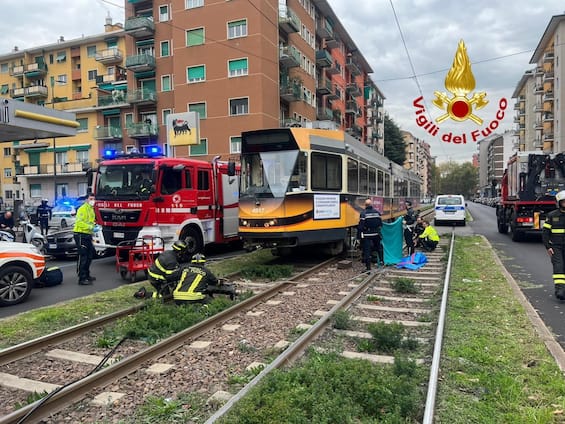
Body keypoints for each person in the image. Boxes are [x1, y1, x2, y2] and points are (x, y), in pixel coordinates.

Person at [542, 190, 565, 300]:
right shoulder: (552, 216)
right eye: (563, 202)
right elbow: (545, 233)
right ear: (559, 203)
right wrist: (548, 247)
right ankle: (560, 290)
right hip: (556, 246)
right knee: (559, 268)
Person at [73, 194, 98, 285]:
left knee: (90, 256)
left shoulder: (91, 209)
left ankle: (87, 275)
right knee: (83, 256)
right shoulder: (82, 209)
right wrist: (91, 227)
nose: (93, 201)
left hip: (87, 235)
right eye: (91, 199)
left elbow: (91, 221)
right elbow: (79, 222)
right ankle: (81, 278)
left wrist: (95, 226)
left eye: (94, 199)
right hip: (80, 235)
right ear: (86, 200)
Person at [357, 198, 383, 271]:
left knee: (367, 251)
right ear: (371, 205)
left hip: (367, 235)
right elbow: (380, 224)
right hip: (376, 234)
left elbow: (361, 226)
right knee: (379, 248)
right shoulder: (377, 213)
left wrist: (359, 237)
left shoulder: (363, 214)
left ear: (365, 205)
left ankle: (368, 268)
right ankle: (381, 262)